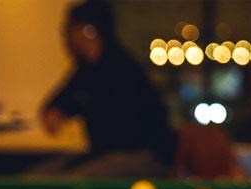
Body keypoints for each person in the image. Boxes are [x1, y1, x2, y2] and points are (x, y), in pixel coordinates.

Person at [35, 0, 177, 178]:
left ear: (88, 31)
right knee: (39, 177)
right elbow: (61, 102)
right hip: (105, 155)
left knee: (73, 180)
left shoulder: (122, 68)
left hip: (143, 155)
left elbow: (124, 131)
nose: (65, 37)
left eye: (70, 29)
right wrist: (55, 111)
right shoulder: (85, 71)